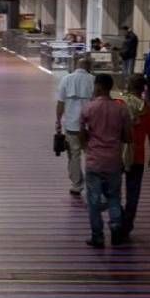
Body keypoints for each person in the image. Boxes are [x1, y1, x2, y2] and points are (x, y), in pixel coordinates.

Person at [78, 73, 134, 247]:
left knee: (94, 200)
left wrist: (86, 147)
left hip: (94, 161)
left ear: (100, 87)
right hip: (113, 161)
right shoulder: (121, 109)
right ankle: (116, 231)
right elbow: (127, 137)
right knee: (114, 197)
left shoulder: (89, 108)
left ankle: (98, 236)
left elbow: (81, 131)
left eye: (95, 86)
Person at [121, 74, 150, 235]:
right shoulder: (146, 108)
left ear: (129, 86)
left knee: (113, 188)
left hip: (117, 153)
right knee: (133, 191)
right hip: (137, 155)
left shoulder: (120, 104)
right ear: (143, 89)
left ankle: (116, 217)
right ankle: (127, 223)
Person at [56, 56, 95, 196]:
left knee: (74, 154)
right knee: (91, 154)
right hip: (90, 126)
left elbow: (60, 103)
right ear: (89, 67)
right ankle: (93, 184)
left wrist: (58, 122)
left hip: (71, 124)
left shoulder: (66, 79)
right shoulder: (93, 80)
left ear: (76, 65)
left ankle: (76, 185)